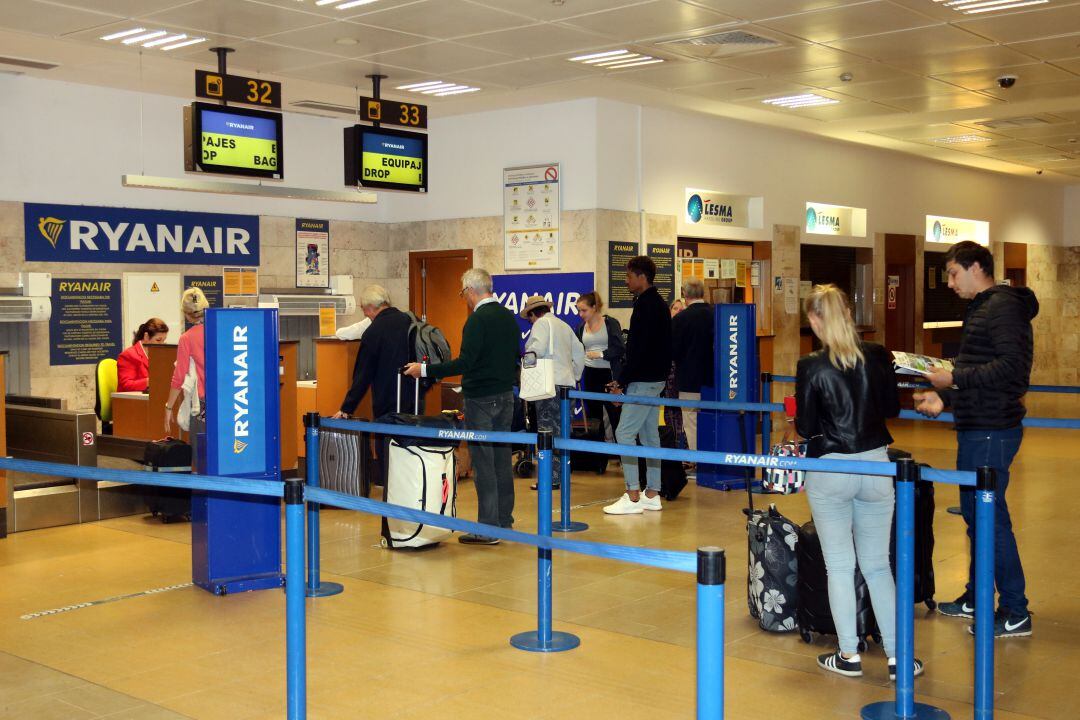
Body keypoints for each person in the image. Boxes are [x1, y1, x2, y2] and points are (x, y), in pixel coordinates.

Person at [796, 284, 922, 680]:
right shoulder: (877, 354)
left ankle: (848, 654)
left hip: (831, 468)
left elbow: (805, 426)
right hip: (876, 465)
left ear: (816, 320)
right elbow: (889, 408)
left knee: (839, 566)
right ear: (849, 313)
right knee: (878, 566)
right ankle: (899, 657)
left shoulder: (811, 366)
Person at [915, 240, 1038, 639]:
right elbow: (975, 368)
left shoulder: (1001, 307)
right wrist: (944, 395)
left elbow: (1011, 368)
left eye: (952, 273)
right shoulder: (981, 308)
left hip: (992, 429)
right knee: (974, 515)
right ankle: (977, 596)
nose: (949, 283)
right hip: (976, 424)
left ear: (975, 268)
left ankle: (1015, 609)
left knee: (990, 519)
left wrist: (954, 379)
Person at [404, 268, 519, 545]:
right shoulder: (508, 316)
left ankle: (488, 528)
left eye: (462, 293)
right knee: (502, 459)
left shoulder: (477, 320)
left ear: (470, 290)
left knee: (483, 462)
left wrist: (426, 370)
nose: (464, 298)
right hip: (506, 396)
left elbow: (465, 363)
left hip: (481, 399)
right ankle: (504, 520)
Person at [603, 255, 672, 515]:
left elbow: (638, 350)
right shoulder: (658, 303)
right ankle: (652, 492)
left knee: (624, 433)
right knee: (649, 435)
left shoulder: (646, 305)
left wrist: (621, 380)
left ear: (641, 276)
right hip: (655, 380)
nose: (626, 280)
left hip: (643, 381)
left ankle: (633, 494)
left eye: (629, 275)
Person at [521, 295, 585, 491]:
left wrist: (527, 355)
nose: (530, 321)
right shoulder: (564, 326)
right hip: (567, 386)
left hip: (548, 386)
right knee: (563, 432)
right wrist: (574, 375)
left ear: (533, 313)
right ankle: (562, 475)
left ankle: (550, 479)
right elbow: (580, 353)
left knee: (547, 432)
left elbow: (537, 349)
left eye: (529, 317)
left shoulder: (541, 324)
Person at [332, 285, 415, 421]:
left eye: (364, 309)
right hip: (414, 396)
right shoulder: (409, 320)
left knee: (388, 440)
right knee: (410, 440)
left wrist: (346, 408)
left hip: (388, 401)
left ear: (370, 306)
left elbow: (363, 374)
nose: (365, 314)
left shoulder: (373, 331)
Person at [574, 291, 624, 445]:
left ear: (594, 307)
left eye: (584, 310)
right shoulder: (581, 327)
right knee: (594, 418)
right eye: (578, 310)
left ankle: (623, 454)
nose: (580, 314)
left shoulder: (610, 323)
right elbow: (577, 350)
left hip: (608, 374)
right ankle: (598, 458)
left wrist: (601, 354)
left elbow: (620, 348)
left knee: (615, 414)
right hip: (590, 374)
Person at [671, 277, 714, 452]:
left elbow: (673, 350)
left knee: (691, 421)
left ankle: (698, 461)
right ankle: (712, 458)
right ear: (703, 293)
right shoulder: (716, 314)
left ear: (685, 294)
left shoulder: (681, 318)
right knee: (711, 419)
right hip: (713, 379)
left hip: (689, 379)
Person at [164, 288, 208, 443]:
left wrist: (169, 407)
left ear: (186, 313)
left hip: (203, 404)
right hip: (230, 400)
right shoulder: (223, 330)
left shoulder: (187, 338)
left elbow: (179, 376)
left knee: (202, 455)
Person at [117, 318, 169, 392]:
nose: (162, 344)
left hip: (151, 398)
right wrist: (151, 381)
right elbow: (126, 385)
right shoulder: (128, 355)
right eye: (158, 340)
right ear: (146, 336)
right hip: (131, 401)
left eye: (163, 341)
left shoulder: (158, 355)